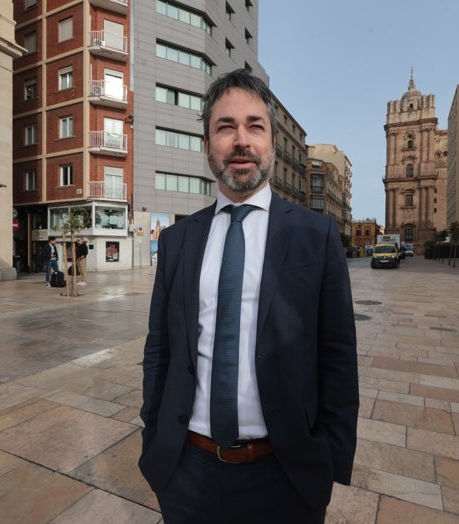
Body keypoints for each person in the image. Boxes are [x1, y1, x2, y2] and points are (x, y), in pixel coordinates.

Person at [138, 69, 359, 524]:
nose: (241, 140)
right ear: (207, 145)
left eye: (255, 126)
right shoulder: (179, 240)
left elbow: (338, 357)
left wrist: (327, 463)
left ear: (272, 144)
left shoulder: (315, 235)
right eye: (225, 127)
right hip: (187, 471)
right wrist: (154, 440)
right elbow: (159, 349)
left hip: (286, 476)